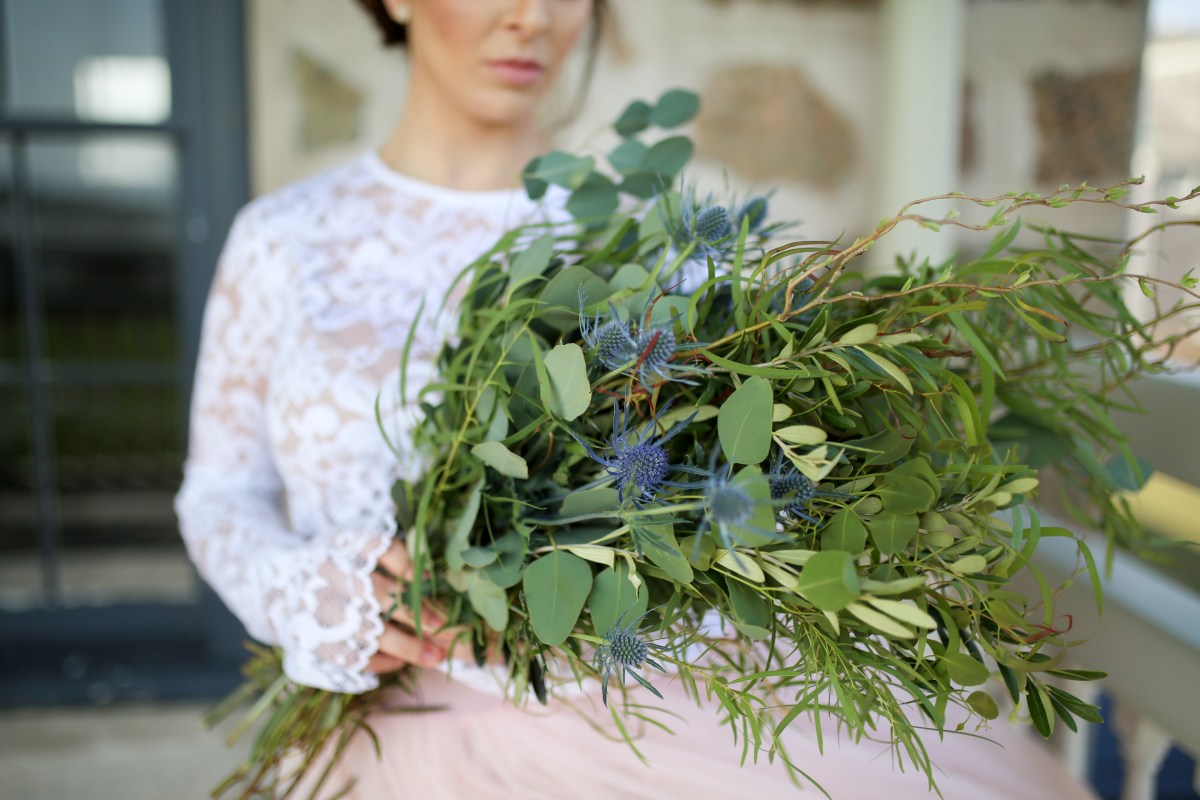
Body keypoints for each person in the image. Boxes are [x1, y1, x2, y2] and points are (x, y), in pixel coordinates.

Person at [175, 1, 1100, 797]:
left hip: (641, 713)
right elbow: (220, 493)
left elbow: (725, 506)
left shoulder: (656, 246)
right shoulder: (282, 243)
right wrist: (302, 596)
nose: (534, 17)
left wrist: (605, 600)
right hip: (386, 726)